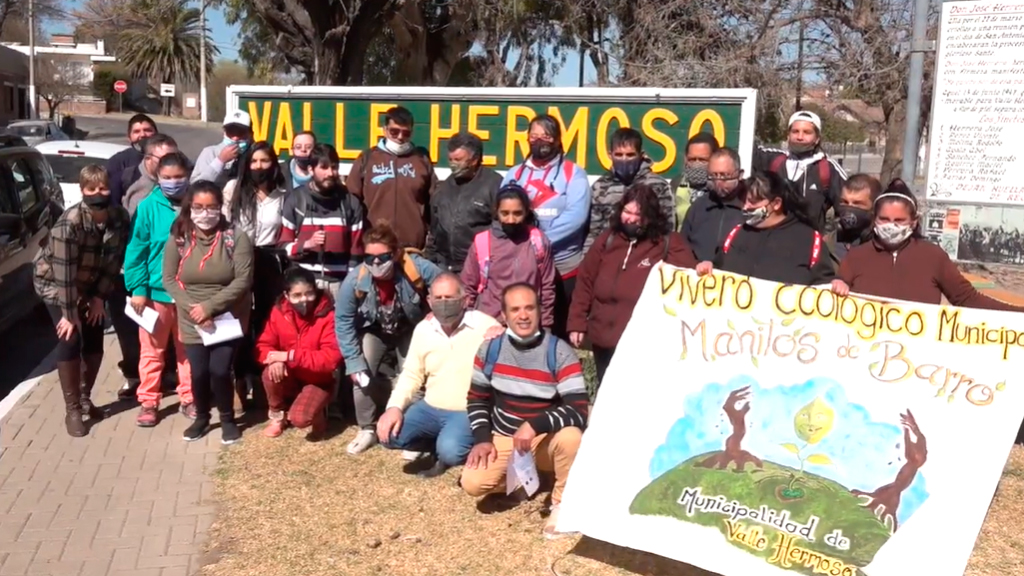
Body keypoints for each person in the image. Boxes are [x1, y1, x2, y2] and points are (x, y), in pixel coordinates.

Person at [461, 283, 589, 538]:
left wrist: (535, 424)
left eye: (529, 307)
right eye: (515, 309)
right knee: (473, 484)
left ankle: (562, 504)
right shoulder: (490, 349)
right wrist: (483, 439)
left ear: (540, 311)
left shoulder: (559, 351)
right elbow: (477, 398)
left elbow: (578, 409)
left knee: (572, 436)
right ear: (504, 315)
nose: (523, 315)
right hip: (504, 436)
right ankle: (520, 482)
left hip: (544, 439)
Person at [33, 165, 130, 437]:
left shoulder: (120, 217)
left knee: (95, 336)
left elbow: (114, 261)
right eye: (92, 189)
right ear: (82, 191)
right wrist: (68, 312)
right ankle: (72, 408)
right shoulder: (70, 223)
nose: (99, 193)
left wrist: (99, 298)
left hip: (91, 285)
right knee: (71, 337)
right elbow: (63, 273)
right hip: (56, 284)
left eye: (103, 188)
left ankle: (86, 397)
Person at [568, 183, 697, 386]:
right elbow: (585, 281)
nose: (631, 219)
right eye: (627, 212)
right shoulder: (607, 240)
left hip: (641, 343)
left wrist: (702, 267)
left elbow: (691, 278)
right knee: (605, 392)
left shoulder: (667, 243)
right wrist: (577, 323)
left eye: (639, 215)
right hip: (603, 337)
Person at [377, 273, 501, 478]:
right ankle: (438, 443)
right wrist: (394, 407)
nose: (444, 303)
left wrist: (502, 333)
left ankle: (448, 449)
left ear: (466, 300)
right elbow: (411, 374)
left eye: (450, 298)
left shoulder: (486, 326)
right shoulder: (424, 329)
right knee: (387, 435)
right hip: (430, 407)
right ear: (429, 301)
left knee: (451, 452)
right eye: (439, 298)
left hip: (467, 410)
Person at [334, 221, 442, 455]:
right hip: (375, 330)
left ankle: (413, 429)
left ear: (394, 254)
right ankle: (367, 428)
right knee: (362, 371)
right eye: (369, 257)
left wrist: (436, 310)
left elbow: (446, 285)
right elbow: (342, 321)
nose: (375, 263)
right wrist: (352, 361)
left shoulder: (417, 268)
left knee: (414, 375)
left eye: (382, 257)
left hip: (411, 328)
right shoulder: (354, 280)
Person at [831, 180, 1024, 311]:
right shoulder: (857, 257)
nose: (891, 225)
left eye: (899, 220)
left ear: (914, 222)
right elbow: (834, 297)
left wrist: (1017, 313)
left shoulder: (933, 256)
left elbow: (967, 299)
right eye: (884, 219)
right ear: (875, 220)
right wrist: (838, 285)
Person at [162, 181, 254, 444]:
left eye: (211, 207)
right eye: (199, 207)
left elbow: (243, 280)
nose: (205, 213)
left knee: (220, 370)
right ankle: (202, 417)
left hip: (226, 315)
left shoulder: (236, 237)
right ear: (190, 207)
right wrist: (194, 309)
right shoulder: (179, 237)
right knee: (198, 372)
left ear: (220, 208)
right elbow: (169, 278)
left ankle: (227, 419)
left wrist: (210, 308)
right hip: (192, 316)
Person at [501, 114, 591, 338]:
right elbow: (501, 210)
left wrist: (540, 242)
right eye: (534, 135)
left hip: (563, 266)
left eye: (546, 136)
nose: (539, 140)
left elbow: (576, 217)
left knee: (556, 333)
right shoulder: (514, 174)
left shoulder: (573, 173)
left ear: (558, 140)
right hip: (519, 263)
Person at [124, 152, 194, 427]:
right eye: (167, 178)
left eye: (178, 177)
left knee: (188, 350)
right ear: (157, 178)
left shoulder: (196, 203)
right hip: (154, 294)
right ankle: (149, 401)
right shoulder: (147, 207)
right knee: (152, 352)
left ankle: (189, 397)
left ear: (187, 176)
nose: (173, 182)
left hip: (188, 294)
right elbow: (136, 251)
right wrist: (138, 288)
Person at [223, 142, 289, 410]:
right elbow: (224, 227)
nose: (259, 167)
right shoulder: (233, 190)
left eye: (265, 161)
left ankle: (264, 383)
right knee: (238, 322)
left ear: (273, 164)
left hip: (270, 262)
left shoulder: (283, 195)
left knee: (265, 322)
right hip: (238, 260)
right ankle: (239, 380)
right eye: (254, 161)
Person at [696, 171, 835, 286]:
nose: (746, 206)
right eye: (745, 200)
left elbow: (825, 285)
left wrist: (837, 284)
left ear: (776, 204)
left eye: (753, 202)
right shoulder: (736, 233)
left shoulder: (809, 240)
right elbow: (719, 269)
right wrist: (709, 266)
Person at [257, 267, 342, 440]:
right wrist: (274, 359)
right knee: (269, 373)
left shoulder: (328, 315)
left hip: (318, 380)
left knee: (300, 419)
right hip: (290, 375)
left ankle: (318, 412)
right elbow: (264, 344)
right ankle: (278, 416)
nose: (304, 300)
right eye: (297, 295)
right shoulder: (279, 312)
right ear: (286, 296)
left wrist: (289, 356)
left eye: (309, 294)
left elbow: (330, 359)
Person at [461, 184, 555, 327]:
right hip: (489, 323)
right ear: (496, 212)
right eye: (505, 213)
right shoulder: (482, 242)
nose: (511, 220)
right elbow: (468, 287)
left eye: (517, 213)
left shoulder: (538, 241)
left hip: (527, 323)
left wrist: (546, 325)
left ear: (526, 212)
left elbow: (547, 286)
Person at [278, 144, 366, 293]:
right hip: (304, 283)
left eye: (334, 167)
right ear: (311, 169)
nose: (330, 173)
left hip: (339, 284)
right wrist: (306, 244)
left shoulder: (350, 203)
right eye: (324, 167)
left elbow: (356, 251)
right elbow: (282, 247)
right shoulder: (296, 200)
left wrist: (351, 285)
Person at [348, 106, 437, 249]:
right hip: (375, 245)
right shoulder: (367, 158)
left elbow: (434, 202)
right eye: (394, 132)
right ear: (384, 130)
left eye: (406, 133)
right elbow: (351, 200)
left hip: (412, 247)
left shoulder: (421, 160)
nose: (400, 137)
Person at [754, 110, 847, 232]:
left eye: (807, 132)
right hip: (771, 240)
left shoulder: (827, 168)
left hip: (809, 243)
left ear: (817, 138)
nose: (800, 137)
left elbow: (848, 207)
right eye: (795, 131)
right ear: (788, 135)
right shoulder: (773, 160)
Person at [586, 127, 674, 254]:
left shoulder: (659, 186)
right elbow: (593, 233)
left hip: (647, 256)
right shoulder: (600, 187)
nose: (624, 159)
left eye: (630, 155)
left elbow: (667, 230)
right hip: (609, 256)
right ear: (610, 155)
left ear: (641, 155)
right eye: (619, 154)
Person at [424, 132, 502, 273]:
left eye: (458, 160)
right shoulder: (443, 188)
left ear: (474, 160)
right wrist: (430, 260)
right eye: (450, 159)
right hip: (444, 266)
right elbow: (434, 231)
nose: (453, 164)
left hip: (480, 266)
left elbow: (501, 230)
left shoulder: (494, 185)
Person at [681, 147, 747, 262]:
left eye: (724, 175)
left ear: (740, 174)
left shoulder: (750, 206)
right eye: (713, 175)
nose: (718, 182)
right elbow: (682, 245)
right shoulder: (699, 206)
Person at [106, 113, 158, 209]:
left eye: (147, 130)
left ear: (156, 133)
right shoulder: (118, 161)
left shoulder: (169, 157)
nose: (142, 135)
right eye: (136, 131)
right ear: (129, 137)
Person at [191, 110, 253, 186]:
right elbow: (195, 185)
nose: (235, 138)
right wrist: (220, 161)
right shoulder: (210, 152)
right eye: (231, 132)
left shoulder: (255, 155)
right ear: (224, 132)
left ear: (250, 134)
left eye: (241, 133)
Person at [670, 132, 719, 227]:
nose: (697, 164)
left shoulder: (721, 189)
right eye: (692, 159)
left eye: (703, 160)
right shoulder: (676, 185)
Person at [123, 134, 180, 215]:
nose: (171, 163)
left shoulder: (185, 182)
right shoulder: (133, 182)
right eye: (164, 159)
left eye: (175, 158)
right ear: (148, 159)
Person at [830, 173, 881, 262]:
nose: (849, 208)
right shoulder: (825, 245)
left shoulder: (884, 250)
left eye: (857, 203)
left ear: (874, 209)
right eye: (844, 202)